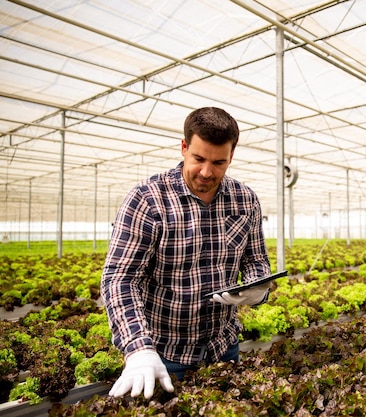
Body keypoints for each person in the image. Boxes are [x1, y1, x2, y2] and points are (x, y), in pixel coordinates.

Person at [101, 107, 272, 399]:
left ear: (231, 157)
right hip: (165, 356)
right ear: (184, 147)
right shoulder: (148, 200)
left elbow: (256, 260)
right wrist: (138, 348)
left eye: (219, 162)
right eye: (198, 159)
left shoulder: (245, 200)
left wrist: (258, 288)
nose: (207, 172)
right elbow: (120, 279)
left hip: (224, 347)